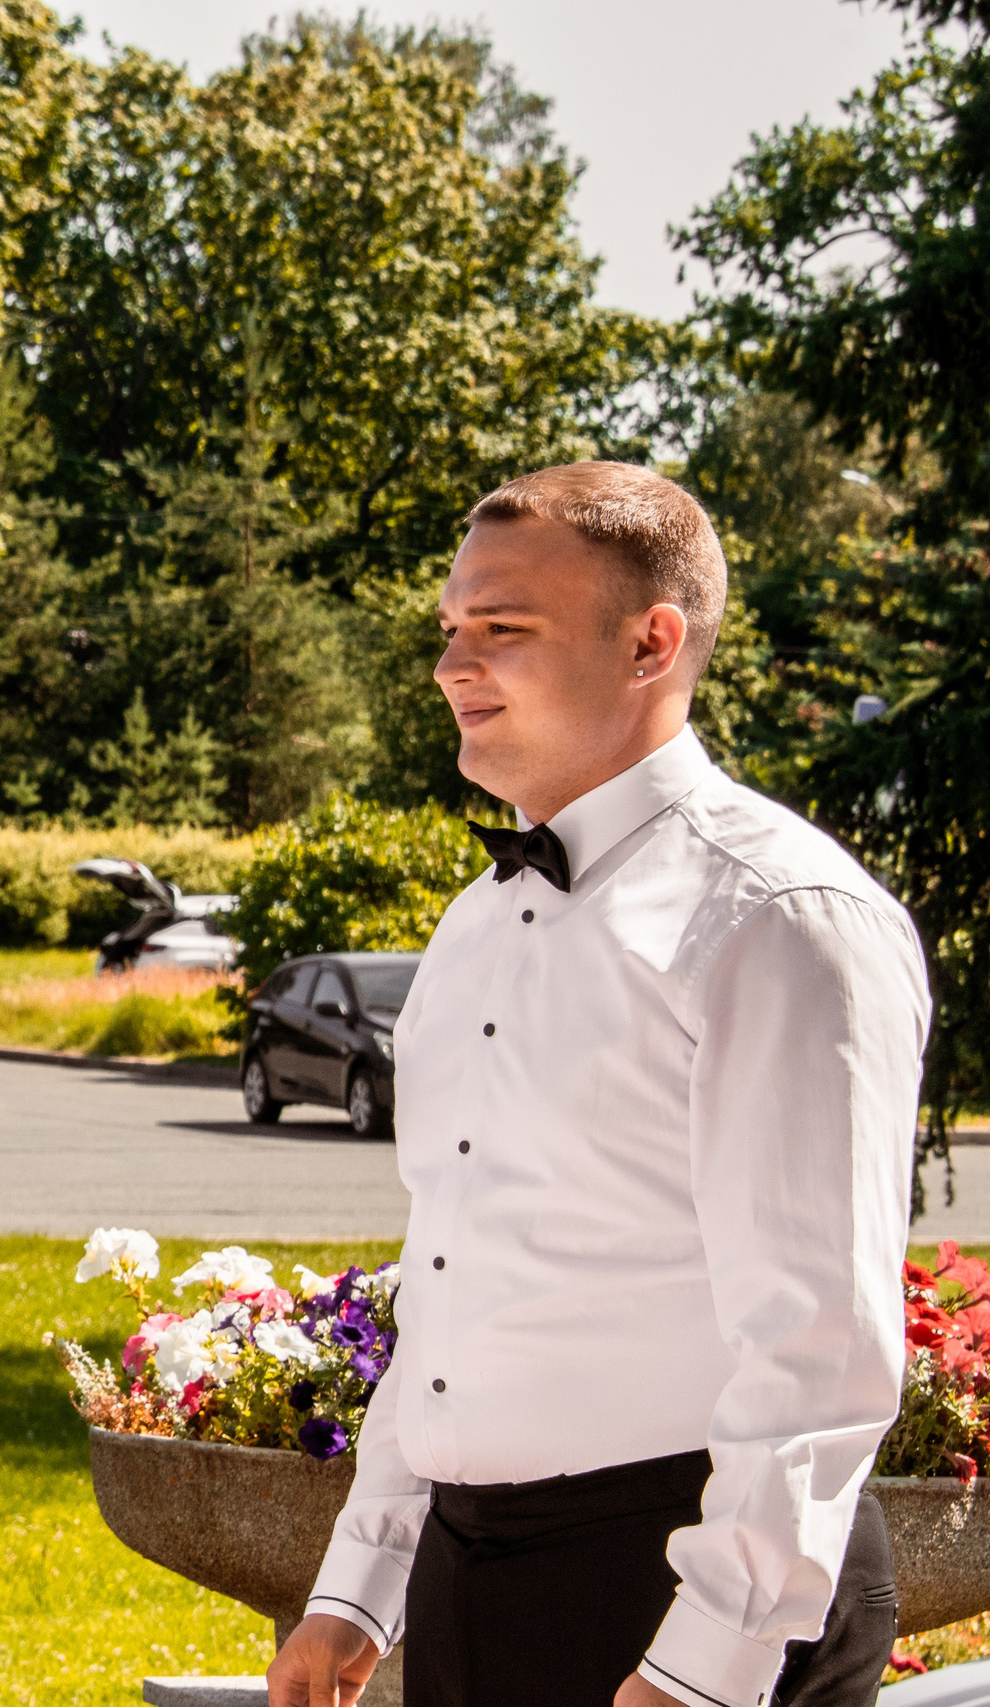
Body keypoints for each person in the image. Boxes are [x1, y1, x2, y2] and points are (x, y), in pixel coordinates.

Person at [268, 461, 929, 1707]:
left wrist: (702, 1666)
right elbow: (451, 1282)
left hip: (690, 1589)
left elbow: (819, 1347)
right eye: (451, 629)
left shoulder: (780, 919)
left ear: (651, 642)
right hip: (472, 1578)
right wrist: (359, 1587)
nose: (452, 665)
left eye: (501, 629)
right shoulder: (473, 926)